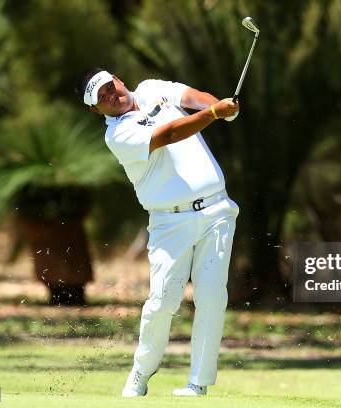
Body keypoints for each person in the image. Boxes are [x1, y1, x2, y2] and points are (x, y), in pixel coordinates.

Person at [76, 68, 240, 397]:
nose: (111, 95)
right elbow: (167, 135)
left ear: (119, 80)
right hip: (170, 222)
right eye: (102, 98)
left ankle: (198, 383)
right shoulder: (117, 135)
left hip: (217, 211)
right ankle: (141, 372)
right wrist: (213, 113)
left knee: (212, 297)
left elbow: (192, 97)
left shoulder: (152, 88)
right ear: (96, 110)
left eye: (111, 87)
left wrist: (223, 109)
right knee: (162, 302)